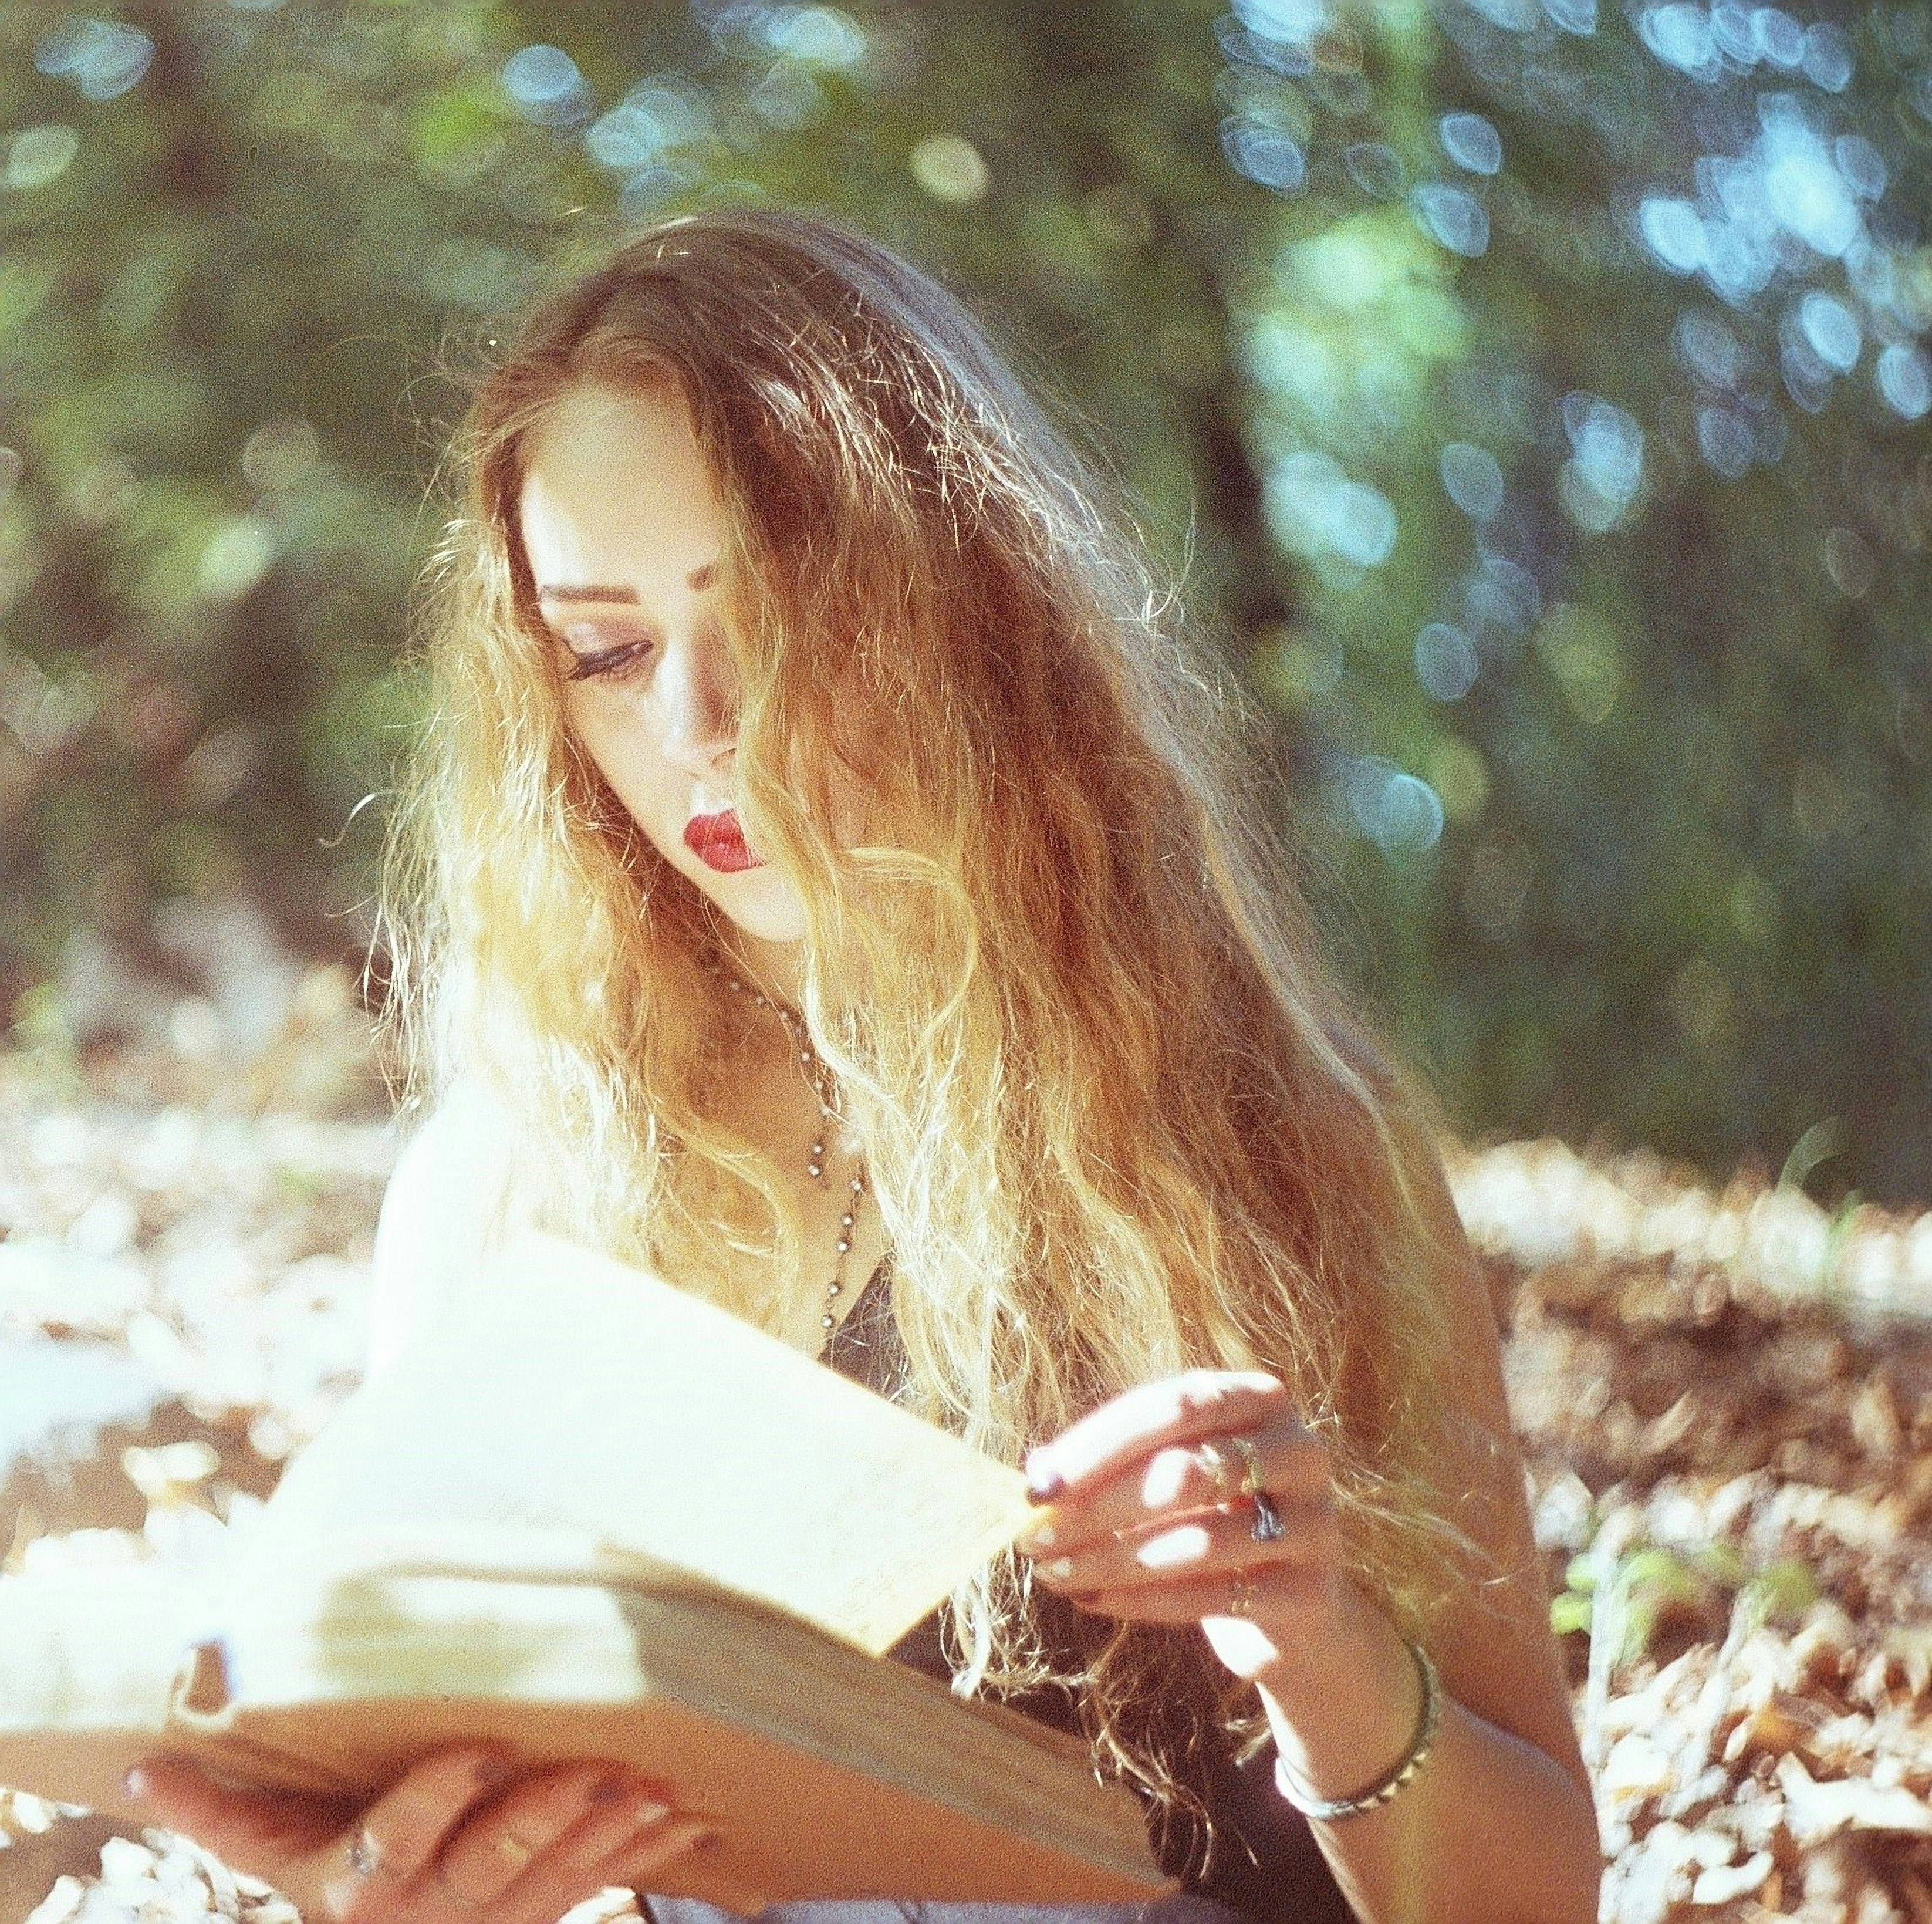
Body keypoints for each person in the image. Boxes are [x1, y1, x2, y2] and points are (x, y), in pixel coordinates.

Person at [128, 208, 1601, 1924]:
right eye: (603, 651)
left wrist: (1314, 1643)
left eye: (785, 613)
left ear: (968, 603)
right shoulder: (505, 1183)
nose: (701, 721)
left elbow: (1531, 1904)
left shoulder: (1284, 1142)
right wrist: (387, 1893)